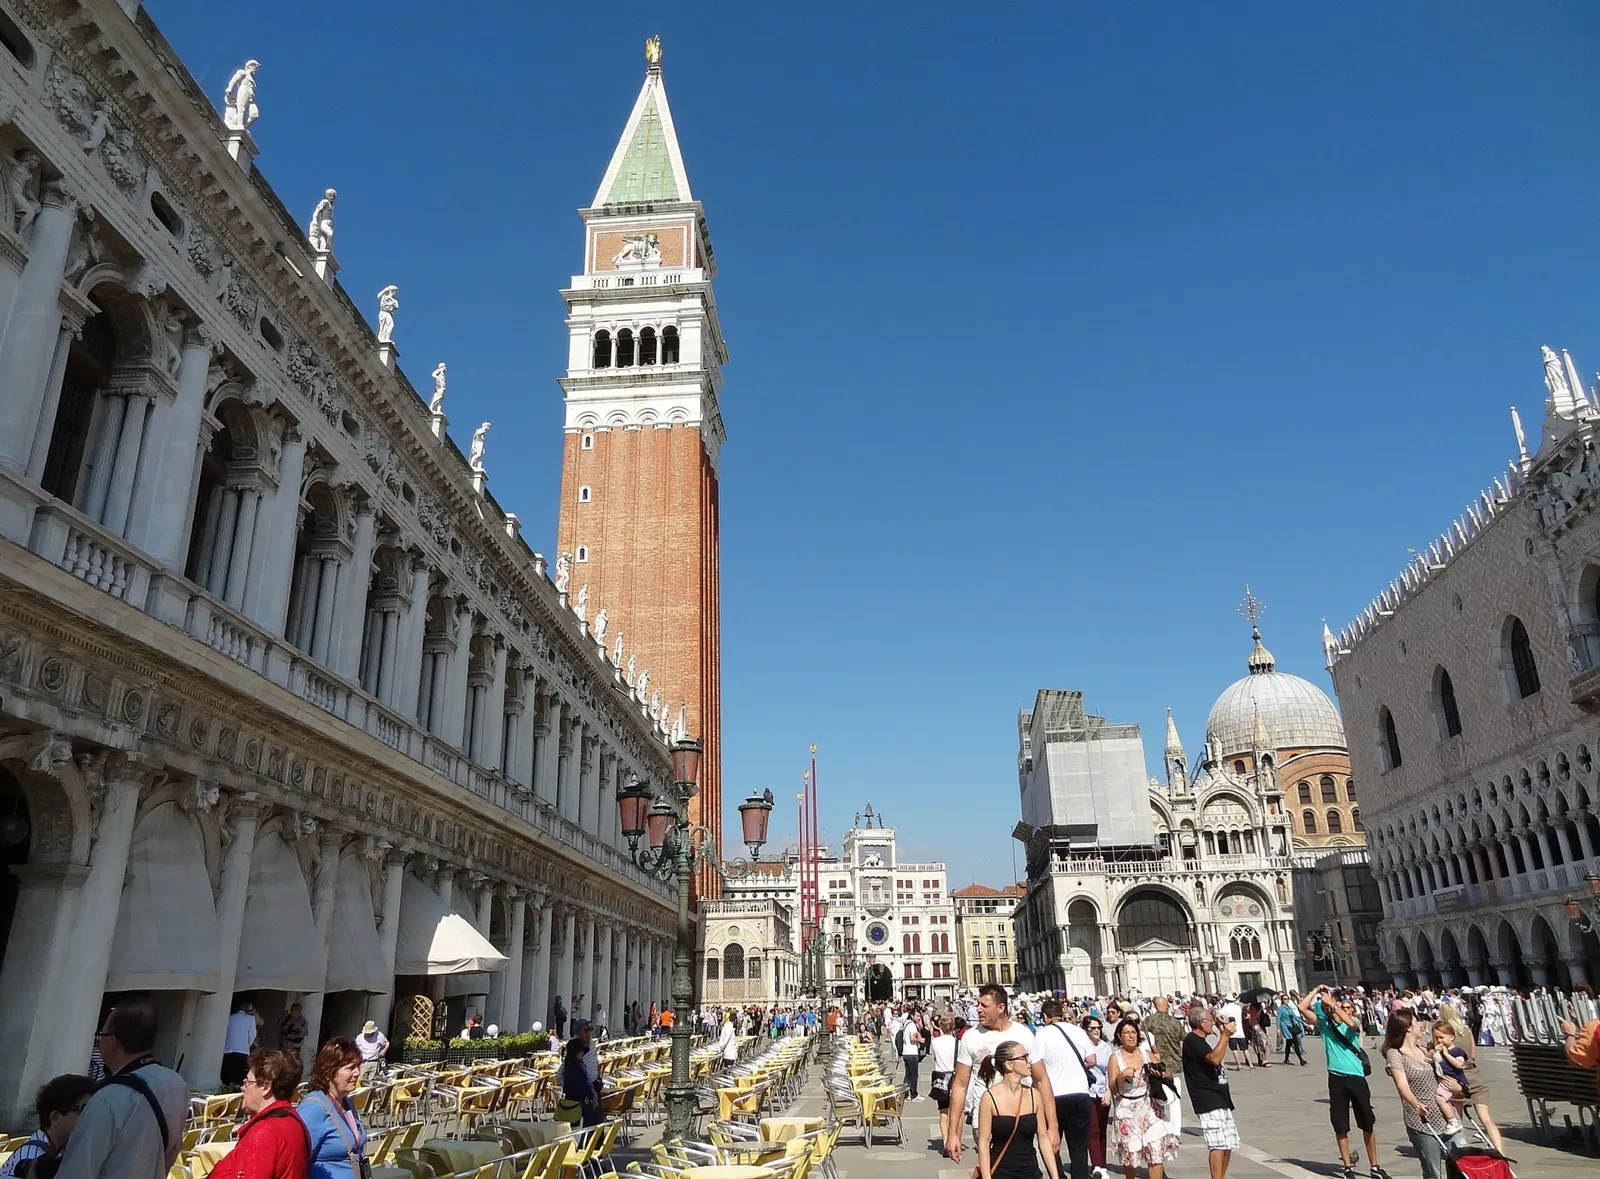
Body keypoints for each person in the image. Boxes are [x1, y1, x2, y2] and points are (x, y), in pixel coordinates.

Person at [57, 998, 189, 1179]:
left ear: (111, 1042)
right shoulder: (176, 1083)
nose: (99, 1042)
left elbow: (77, 1170)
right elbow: (171, 1153)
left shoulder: (107, 1098)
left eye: (100, 1036)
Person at [944, 983, 1058, 1164]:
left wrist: (1053, 1126)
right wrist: (952, 1134)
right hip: (986, 1119)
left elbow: (1042, 1080)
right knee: (995, 1167)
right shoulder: (970, 1037)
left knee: (1023, 1167)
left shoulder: (1023, 1034)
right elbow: (960, 1084)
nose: (978, 1009)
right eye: (978, 1004)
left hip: (1023, 1115)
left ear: (1001, 1008)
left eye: (984, 1005)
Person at [1299, 986, 1390, 1179]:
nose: (1347, 1009)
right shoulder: (1325, 1025)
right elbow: (1302, 1007)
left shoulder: (1354, 1022)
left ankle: (1375, 1166)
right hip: (1336, 1078)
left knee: (1367, 1122)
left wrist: (1335, 1005)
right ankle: (1348, 1167)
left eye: (1349, 1007)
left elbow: (1352, 1024)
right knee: (1340, 1124)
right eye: (1344, 1007)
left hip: (1356, 1077)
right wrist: (1316, 991)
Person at [1381, 1010, 1465, 1179]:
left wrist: (1458, 1088)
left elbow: (1451, 1073)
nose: (1421, 1024)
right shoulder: (1395, 1054)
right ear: (1407, 1028)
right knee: (1433, 1173)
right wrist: (1415, 1103)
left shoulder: (1427, 1048)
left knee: (1462, 1166)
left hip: (1447, 1116)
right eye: (1417, 1022)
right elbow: (1402, 1085)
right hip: (1422, 1121)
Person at [214, 1049, 311, 1179]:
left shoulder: (265, 1132)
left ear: (265, 1087)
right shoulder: (291, 1120)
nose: (243, 1088)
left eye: (248, 1082)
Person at [975, 1040, 1062, 1179]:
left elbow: (1043, 1138)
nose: (1029, 1061)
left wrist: (1055, 1175)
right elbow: (983, 1143)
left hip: (1031, 1172)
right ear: (1009, 1065)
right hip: (1001, 1173)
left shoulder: (1034, 1095)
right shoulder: (990, 1098)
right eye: (1024, 1057)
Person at [1106, 1017, 1177, 1179]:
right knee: (1131, 1156)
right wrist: (1122, 1077)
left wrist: (1163, 1074)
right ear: (1119, 1036)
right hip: (1127, 1113)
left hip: (1150, 1110)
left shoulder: (1146, 1054)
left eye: (1134, 1032)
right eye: (1126, 1033)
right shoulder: (1115, 1058)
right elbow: (1113, 1088)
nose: (1131, 1036)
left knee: (1156, 1152)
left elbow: (1167, 1073)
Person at [1035, 1000, 1095, 1179]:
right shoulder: (1078, 1031)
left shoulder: (1041, 1034)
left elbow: (1037, 1066)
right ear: (1062, 1013)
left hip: (1054, 1096)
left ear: (1045, 1016)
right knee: (1079, 1147)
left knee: (1051, 1142)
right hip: (1080, 1093)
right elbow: (1091, 1059)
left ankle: (1058, 1176)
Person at [1435, 1006, 1504, 1153]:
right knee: (1486, 1118)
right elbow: (1473, 1055)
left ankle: (1458, 1149)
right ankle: (1500, 1151)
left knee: (1456, 1116)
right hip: (1474, 1074)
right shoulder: (1466, 1030)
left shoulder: (1442, 1034)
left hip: (1456, 1077)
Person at [297, 1038, 367, 1179]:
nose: (357, 1073)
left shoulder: (346, 1102)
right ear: (329, 1071)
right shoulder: (313, 1108)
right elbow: (295, 1159)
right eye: (350, 1068)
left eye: (358, 1066)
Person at [1, 1074, 95, 1178]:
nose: (91, 1116)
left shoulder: (59, 1150)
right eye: (84, 1110)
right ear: (55, 1117)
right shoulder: (30, 1160)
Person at [1182, 1007, 1236, 1179]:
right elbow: (1214, 1058)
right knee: (1217, 1144)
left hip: (1220, 1096)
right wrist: (1225, 1035)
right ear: (1200, 1023)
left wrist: (1223, 1036)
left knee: (1228, 1143)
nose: (1212, 1022)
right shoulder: (1192, 1040)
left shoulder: (1203, 1040)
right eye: (1209, 1020)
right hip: (1207, 1098)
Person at [1142, 998, 1186, 1141]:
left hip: (1157, 1065)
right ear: (1167, 1006)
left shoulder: (1148, 1021)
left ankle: (1159, 1128)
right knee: (1175, 1100)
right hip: (1175, 1065)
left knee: (1156, 1098)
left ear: (1154, 1006)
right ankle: (1176, 1131)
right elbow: (1182, 1037)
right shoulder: (1175, 1022)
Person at [930, 1015, 960, 1147]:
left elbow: (935, 1057)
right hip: (954, 1077)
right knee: (958, 1111)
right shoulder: (957, 1042)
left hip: (940, 1076)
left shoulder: (935, 1042)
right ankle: (956, 1139)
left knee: (943, 1112)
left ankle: (945, 1141)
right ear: (953, 1027)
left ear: (941, 1027)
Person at [561, 1037, 602, 1127]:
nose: (582, 1053)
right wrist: (592, 1095)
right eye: (580, 1051)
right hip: (578, 1104)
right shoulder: (573, 1068)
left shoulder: (578, 1065)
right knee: (581, 1127)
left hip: (579, 1102)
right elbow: (581, 1085)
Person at [223, 1001, 258, 1087]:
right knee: (239, 1076)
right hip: (243, 1050)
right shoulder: (250, 1019)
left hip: (228, 1049)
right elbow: (252, 1034)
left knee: (228, 1075)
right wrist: (247, 1044)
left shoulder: (230, 1017)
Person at [1219, 997, 1248, 1069]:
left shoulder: (1225, 1008)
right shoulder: (1238, 1007)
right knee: (1245, 1049)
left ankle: (1239, 1065)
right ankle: (1250, 1064)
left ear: (1226, 1000)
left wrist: (1223, 1021)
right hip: (1240, 1032)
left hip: (1231, 1032)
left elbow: (1217, 1015)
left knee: (1234, 1050)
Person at [1276, 997, 1307, 1066]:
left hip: (1292, 1027)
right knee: (1295, 1043)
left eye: (1287, 999)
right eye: (1285, 999)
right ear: (1282, 1000)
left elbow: (1295, 1017)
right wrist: (1278, 1028)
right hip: (1287, 1028)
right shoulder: (1280, 1009)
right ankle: (1301, 1060)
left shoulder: (1288, 1008)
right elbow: (1278, 1018)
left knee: (1288, 1044)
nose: (1287, 1000)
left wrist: (1303, 1022)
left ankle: (1286, 1060)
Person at [901, 1011, 925, 1098]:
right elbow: (912, 1038)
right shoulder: (912, 1025)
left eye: (920, 1016)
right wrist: (920, 1040)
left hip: (906, 1052)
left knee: (908, 1074)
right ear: (912, 1016)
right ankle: (913, 1094)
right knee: (914, 1075)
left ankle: (906, 1093)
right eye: (917, 1016)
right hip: (912, 1052)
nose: (919, 1018)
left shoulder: (906, 1024)